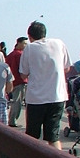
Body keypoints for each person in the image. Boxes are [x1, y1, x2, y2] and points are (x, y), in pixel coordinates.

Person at [19, 21, 71, 150]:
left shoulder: (30, 48)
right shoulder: (59, 43)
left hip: (36, 99)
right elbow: (67, 68)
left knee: (32, 137)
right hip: (57, 96)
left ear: (30, 36)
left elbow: (23, 75)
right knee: (53, 137)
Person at [5, 36, 28, 127]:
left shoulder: (11, 54)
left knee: (15, 101)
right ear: (19, 43)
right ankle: (12, 120)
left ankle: (11, 119)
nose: (26, 45)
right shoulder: (19, 55)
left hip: (12, 81)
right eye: (25, 43)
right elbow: (23, 69)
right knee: (17, 102)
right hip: (19, 81)